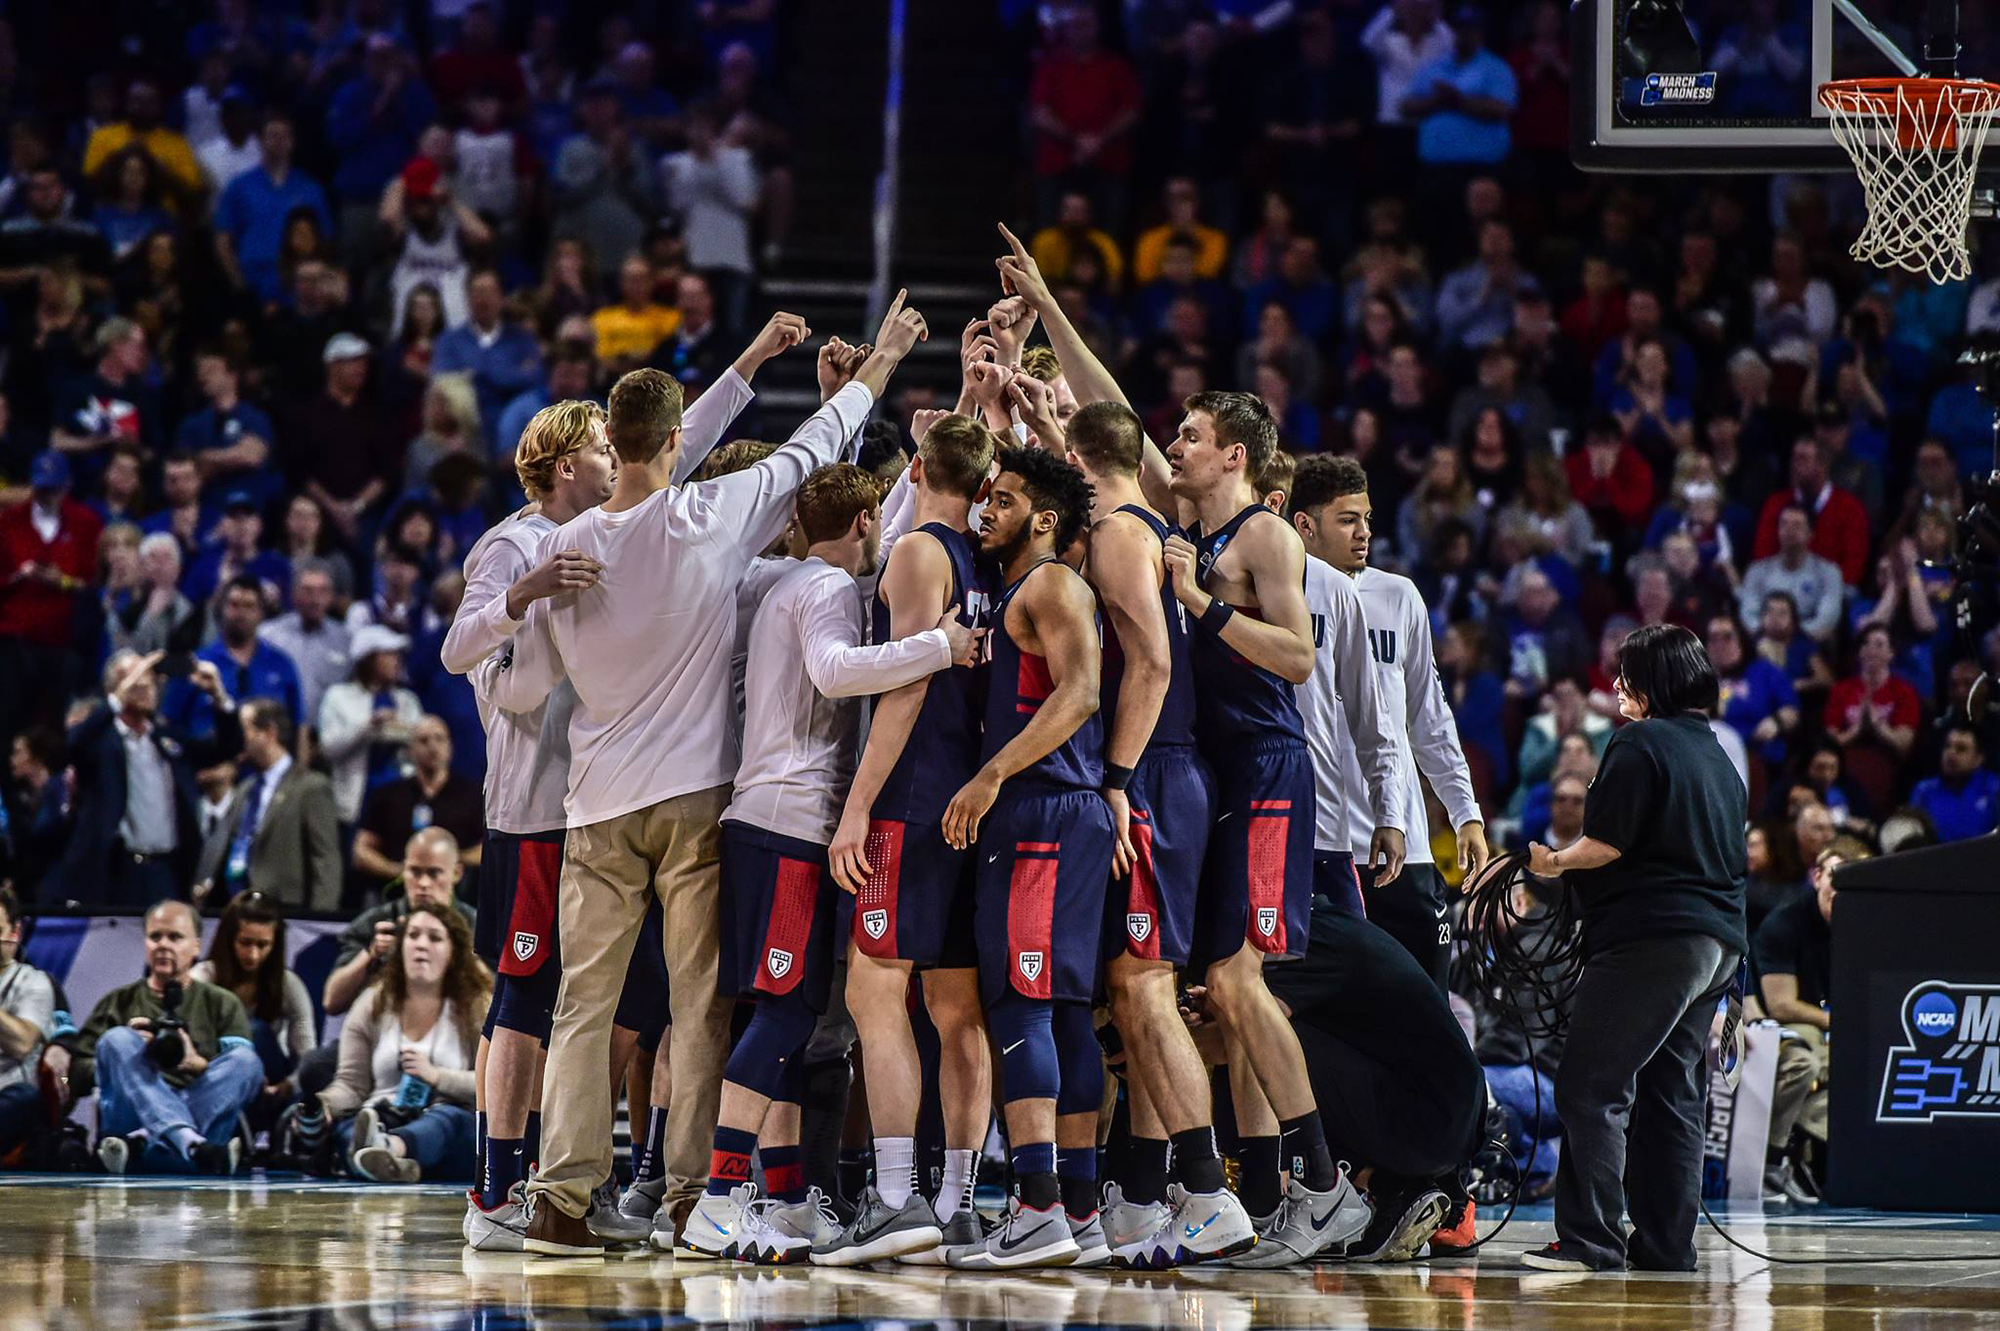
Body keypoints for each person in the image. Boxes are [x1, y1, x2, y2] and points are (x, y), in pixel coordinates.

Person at [491, 298, 924, 1258]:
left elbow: (516, 675)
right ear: (679, 440)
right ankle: (692, 1196)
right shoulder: (708, 517)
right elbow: (812, 449)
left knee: (582, 1008)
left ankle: (559, 1201)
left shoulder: (563, 551)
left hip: (593, 806)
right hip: (695, 804)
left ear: (614, 440)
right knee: (701, 1007)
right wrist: (880, 364)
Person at [439, 323, 785, 1248]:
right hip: (535, 810)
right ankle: (498, 1190)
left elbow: (677, 445)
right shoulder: (518, 546)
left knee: (612, 1009)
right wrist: (526, 604)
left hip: (596, 805)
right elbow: (465, 655)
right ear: (561, 466)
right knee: (529, 1005)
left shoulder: (616, 527)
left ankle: (593, 1185)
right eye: (595, 446)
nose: (609, 456)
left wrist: (746, 366)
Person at [682, 462, 973, 1262]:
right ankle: (717, 1198)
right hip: (791, 822)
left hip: (762, 819)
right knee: (782, 1013)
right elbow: (837, 671)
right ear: (864, 523)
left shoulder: (779, 578)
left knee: (781, 1013)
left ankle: (782, 1202)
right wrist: (938, 647)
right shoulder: (827, 591)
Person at [1052, 396, 1256, 1269]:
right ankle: (1139, 1198)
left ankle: (1208, 1193)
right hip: (1163, 769)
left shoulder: (1119, 532)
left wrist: (1119, 779)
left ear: (1072, 454)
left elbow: (1155, 660)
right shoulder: (1133, 519)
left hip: (1156, 771)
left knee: (1143, 988)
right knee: (1132, 991)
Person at [1163, 391, 1363, 1265]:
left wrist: (1200, 605)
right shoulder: (1190, 529)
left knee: (1241, 981)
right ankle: (1281, 1187)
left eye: (1192, 435)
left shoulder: (1264, 537)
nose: (1175, 444)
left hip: (1270, 766)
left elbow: (1298, 655)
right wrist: (1046, 313)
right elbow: (1115, 425)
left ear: (1236, 455)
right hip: (1223, 775)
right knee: (1226, 987)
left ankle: (1326, 1186)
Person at [817, 413, 1001, 1267]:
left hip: (912, 795)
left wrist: (858, 806)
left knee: (874, 993)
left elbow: (905, 686)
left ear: (918, 467)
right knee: (956, 1009)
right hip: (967, 800)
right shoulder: (985, 561)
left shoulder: (920, 553)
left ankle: (895, 1199)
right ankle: (958, 1202)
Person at [924, 446, 1110, 1268]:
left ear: (1043, 519)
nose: (983, 510)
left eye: (1001, 499)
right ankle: (1077, 1205)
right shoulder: (1018, 591)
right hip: (1058, 809)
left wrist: (990, 774)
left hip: (1038, 807)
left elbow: (1082, 692)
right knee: (1065, 1010)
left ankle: (1035, 1204)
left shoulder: (1050, 585)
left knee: (1026, 1004)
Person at [1519, 624, 1747, 1273]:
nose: (1618, 685)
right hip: (1717, 944)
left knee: (1592, 1086)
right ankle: (1667, 1247)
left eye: (1628, 673)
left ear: (1656, 680)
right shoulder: (1719, 757)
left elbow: (1608, 843)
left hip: (1652, 938)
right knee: (1674, 1094)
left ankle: (1589, 1242)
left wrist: (1552, 861)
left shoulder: (1638, 741)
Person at [1286, 454, 1489, 987]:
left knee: (1429, 1013)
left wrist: (1465, 811)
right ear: (1303, 525)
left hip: (1406, 848)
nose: (1364, 533)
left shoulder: (1400, 597)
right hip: (1320, 845)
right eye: (1347, 519)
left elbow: (1430, 718)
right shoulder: (1274, 599)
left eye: (1368, 519)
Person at [296, 902, 489, 1184]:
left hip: (445, 1120)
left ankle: (388, 1150)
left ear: (455, 951)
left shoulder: (476, 1006)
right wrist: (323, 1106)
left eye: (434, 938)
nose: (421, 945)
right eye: (412, 936)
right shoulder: (371, 1003)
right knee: (349, 1126)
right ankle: (389, 1163)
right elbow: (351, 1085)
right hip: (381, 1113)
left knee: (450, 1121)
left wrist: (438, 1077)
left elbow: (494, 1084)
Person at [72, 900, 262, 1175]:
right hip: (146, 1124)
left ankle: (150, 1136)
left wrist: (196, 1063)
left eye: (175, 937)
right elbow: (76, 1075)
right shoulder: (119, 1001)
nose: (163, 945)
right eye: (155, 936)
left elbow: (247, 1078)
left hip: (178, 1132)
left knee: (247, 1060)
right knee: (117, 1040)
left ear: (196, 946)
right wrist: (131, 1060)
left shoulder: (222, 1003)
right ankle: (188, 1142)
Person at [53, 649, 241, 907]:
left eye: (150, 678)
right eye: (134, 678)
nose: (144, 684)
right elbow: (73, 744)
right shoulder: (100, 744)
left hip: (168, 870)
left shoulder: (167, 739)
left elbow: (227, 749)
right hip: (117, 871)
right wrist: (117, 699)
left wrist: (218, 695)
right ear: (114, 689)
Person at [1756, 841, 1850, 1206]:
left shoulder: (1865, 925)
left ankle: (1791, 1155)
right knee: (1808, 1062)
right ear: (1817, 877)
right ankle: (1773, 1160)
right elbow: (1781, 1006)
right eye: (1836, 879)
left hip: (1832, 1024)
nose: (1841, 892)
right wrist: (1840, 1020)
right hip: (1770, 1024)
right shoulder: (1785, 922)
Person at [193, 697, 341, 911]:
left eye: (245, 729)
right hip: (239, 907)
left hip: (286, 909)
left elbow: (325, 859)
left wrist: (320, 918)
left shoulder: (311, 787)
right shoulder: (246, 788)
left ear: (269, 732)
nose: (240, 739)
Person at [189, 890, 316, 1133]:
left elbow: (307, 1056)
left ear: (275, 944)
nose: (253, 954)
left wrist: (289, 1085)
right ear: (229, 939)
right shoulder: (203, 979)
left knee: (260, 1033)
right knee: (250, 1035)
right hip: (218, 1080)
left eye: (263, 945)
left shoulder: (288, 984)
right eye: (245, 943)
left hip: (272, 1091)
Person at [352, 717, 483, 890]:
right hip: (396, 889)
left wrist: (448, 862)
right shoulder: (387, 795)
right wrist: (400, 871)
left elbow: (487, 850)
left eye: (439, 738)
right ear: (409, 750)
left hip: (456, 891)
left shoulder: (473, 795)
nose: (432, 746)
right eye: (423, 740)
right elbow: (361, 851)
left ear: (450, 747)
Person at [318, 625, 424, 828]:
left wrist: (405, 731)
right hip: (357, 800)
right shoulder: (338, 697)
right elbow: (328, 748)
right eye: (388, 654)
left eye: (397, 654)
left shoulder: (407, 700)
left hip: (402, 797)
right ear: (368, 659)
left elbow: (422, 741)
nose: (397, 661)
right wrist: (367, 726)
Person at [0, 887, 58, 1157]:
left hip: (7, 1098)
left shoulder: (33, 982)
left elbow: (22, 1043)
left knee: (24, 1099)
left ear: (15, 933)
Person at [259, 560, 352, 724]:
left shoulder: (345, 640)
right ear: (294, 594)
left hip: (327, 735)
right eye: (308, 591)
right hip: (279, 732)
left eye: (323, 591)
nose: (315, 599)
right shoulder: (268, 636)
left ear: (331, 596)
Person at [1909, 725, 2000, 843]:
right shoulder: (1924, 791)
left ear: (1979, 759)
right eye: (1947, 746)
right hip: (1936, 859)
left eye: (1961, 749)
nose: (1951, 753)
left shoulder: (1994, 788)